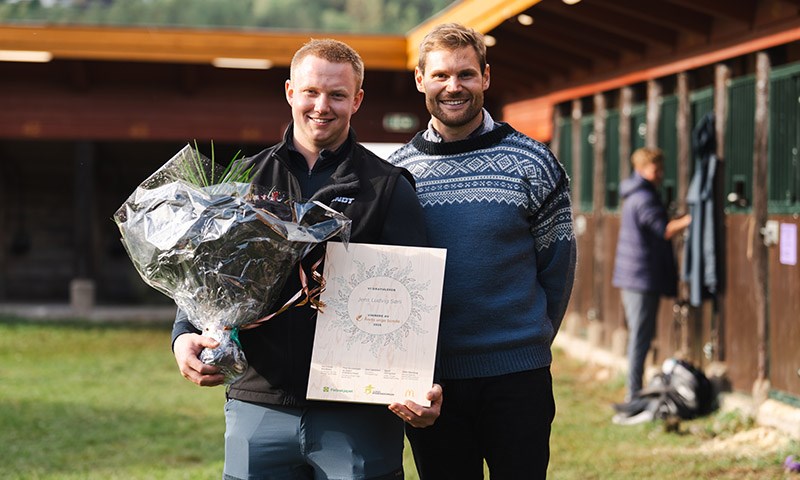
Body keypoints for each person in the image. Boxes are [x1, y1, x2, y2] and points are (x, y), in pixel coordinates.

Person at [171, 38, 442, 480]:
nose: (322, 106)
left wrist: (421, 381)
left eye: (337, 95)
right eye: (311, 91)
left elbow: (418, 304)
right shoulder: (245, 180)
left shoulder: (388, 187)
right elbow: (207, 276)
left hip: (358, 413)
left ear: (357, 100)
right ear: (290, 92)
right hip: (258, 403)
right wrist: (183, 333)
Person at [388, 23, 577, 479]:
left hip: (518, 376)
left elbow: (558, 269)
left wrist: (526, 344)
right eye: (440, 75)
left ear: (486, 77)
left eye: (466, 74)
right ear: (420, 80)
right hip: (433, 382)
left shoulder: (534, 162)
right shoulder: (396, 174)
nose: (453, 86)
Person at [612, 147, 691, 403]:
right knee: (640, 337)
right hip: (640, 277)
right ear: (641, 169)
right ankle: (633, 395)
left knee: (640, 335)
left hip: (634, 276)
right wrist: (691, 219)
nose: (660, 174)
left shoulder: (635, 194)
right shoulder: (644, 197)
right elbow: (664, 230)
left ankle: (635, 390)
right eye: (655, 169)